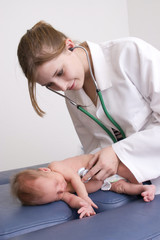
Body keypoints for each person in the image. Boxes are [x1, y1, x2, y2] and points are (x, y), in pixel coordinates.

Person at [17, 21, 160, 195]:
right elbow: (93, 147)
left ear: (69, 45)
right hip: (131, 184)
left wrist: (116, 153)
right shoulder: (72, 93)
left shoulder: (129, 52)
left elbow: (109, 152)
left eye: (60, 72)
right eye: (50, 84)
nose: (62, 86)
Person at [11, 154, 155, 219]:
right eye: (56, 195)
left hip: (104, 167)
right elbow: (71, 200)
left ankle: (141, 181)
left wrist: (84, 197)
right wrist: (83, 206)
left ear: (45, 171)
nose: (61, 189)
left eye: (56, 184)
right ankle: (145, 189)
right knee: (121, 187)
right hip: (105, 182)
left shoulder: (56, 167)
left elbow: (75, 178)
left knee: (127, 171)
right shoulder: (59, 191)